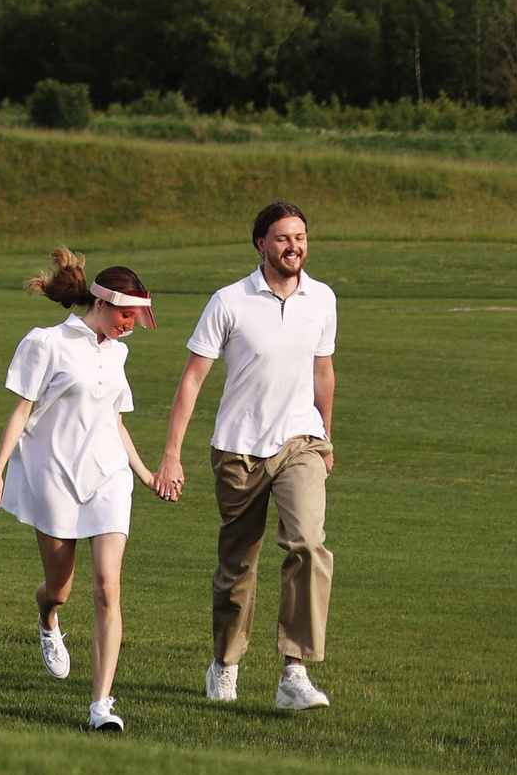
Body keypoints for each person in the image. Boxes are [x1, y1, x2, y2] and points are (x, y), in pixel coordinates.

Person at [154, 201, 337, 712]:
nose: (293, 246)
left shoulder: (322, 298)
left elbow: (324, 371)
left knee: (308, 545)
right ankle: (226, 662)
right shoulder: (229, 301)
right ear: (261, 243)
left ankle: (294, 672)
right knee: (238, 565)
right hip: (238, 449)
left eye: (300, 237)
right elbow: (193, 379)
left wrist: (326, 436)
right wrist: (172, 454)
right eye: (282, 238)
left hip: (300, 441)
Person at [0, 248, 161, 733]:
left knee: (107, 589)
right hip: (52, 476)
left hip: (107, 478)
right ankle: (47, 620)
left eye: (137, 318)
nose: (131, 326)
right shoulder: (47, 343)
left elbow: (115, 422)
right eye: (127, 315)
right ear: (102, 303)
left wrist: (144, 474)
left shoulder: (119, 352)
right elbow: (21, 410)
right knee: (59, 589)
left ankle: (101, 705)